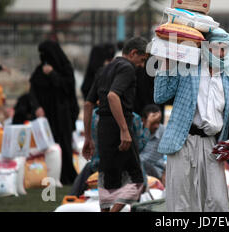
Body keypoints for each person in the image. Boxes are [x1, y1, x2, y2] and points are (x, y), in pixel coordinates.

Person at [154, 27, 229, 212]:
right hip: (183, 141)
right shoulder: (187, 67)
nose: (221, 53)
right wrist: (165, 62)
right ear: (205, 47)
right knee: (182, 204)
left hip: (212, 144)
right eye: (217, 47)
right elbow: (160, 96)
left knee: (218, 202)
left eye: (225, 48)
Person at [82, 37, 148, 212]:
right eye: (142, 60)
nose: (142, 66)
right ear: (133, 53)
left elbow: (88, 104)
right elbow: (113, 96)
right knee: (137, 181)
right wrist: (124, 130)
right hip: (119, 126)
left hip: (103, 128)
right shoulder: (127, 68)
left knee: (108, 177)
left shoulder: (103, 69)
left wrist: (88, 137)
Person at [29, 40, 79, 185]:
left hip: (62, 114)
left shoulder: (65, 68)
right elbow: (32, 90)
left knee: (64, 144)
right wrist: (37, 107)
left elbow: (67, 88)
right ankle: (50, 175)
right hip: (46, 115)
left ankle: (66, 176)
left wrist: (52, 74)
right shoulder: (40, 70)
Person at [132, 105, 166, 185]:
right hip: (137, 168)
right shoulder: (137, 129)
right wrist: (148, 124)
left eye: (158, 122)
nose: (156, 126)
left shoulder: (163, 131)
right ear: (143, 120)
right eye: (153, 123)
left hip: (155, 169)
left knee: (142, 163)